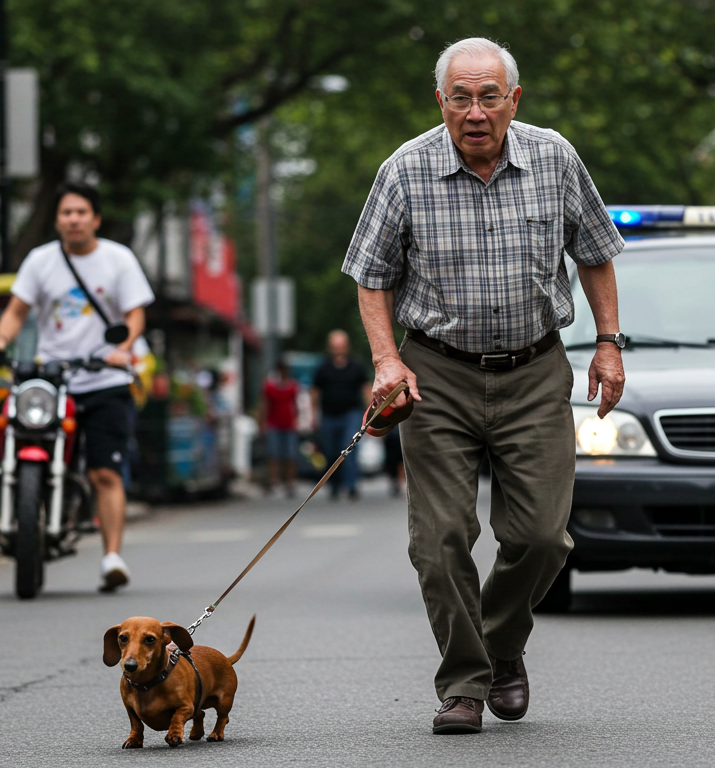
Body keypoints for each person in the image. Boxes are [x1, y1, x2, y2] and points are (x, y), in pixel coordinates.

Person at [343, 37, 625, 734]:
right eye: (460, 97)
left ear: (513, 99)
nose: (475, 111)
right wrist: (387, 361)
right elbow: (370, 275)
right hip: (435, 374)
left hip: (534, 370)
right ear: (440, 101)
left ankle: (499, 650)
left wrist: (610, 344)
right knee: (439, 539)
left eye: (488, 96)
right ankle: (464, 684)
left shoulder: (555, 157)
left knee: (542, 538)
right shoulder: (404, 171)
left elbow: (594, 254)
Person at [0, 182, 155, 592]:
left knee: (104, 472)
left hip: (106, 378)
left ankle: (112, 557)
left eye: (82, 212)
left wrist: (123, 348)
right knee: (20, 434)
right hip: (51, 379)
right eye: (66, 212)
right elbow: (15, 311)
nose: (74, 219)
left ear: (95, 219)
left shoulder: (119, 260)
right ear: (57, 219)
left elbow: (135, 315)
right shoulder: (40, 261)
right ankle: (25, 519)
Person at [310, 330, 370, 500]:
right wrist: (313, 415)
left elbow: (366, 389)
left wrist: (370, 414)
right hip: (328, 414)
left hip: (351, 413)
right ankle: (334, 484)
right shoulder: (323, 368)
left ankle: (351, 485)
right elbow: (314, 392)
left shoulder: (356, 366)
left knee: (349, 447)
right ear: (330, 347)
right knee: (330, 451)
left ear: (346, 346)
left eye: (341, 346)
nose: (338, 349)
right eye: (335, 346)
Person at [261, 360, 300, 498]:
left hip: (289, 425)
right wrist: (263, 422)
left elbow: (296, 405)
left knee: (290, 456)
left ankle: (290, 484)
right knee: (273, 455)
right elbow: (265, 404)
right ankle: (273, 482)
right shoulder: (271, 386)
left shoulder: (292, 386)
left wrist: (297, 420)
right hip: (274, 424)